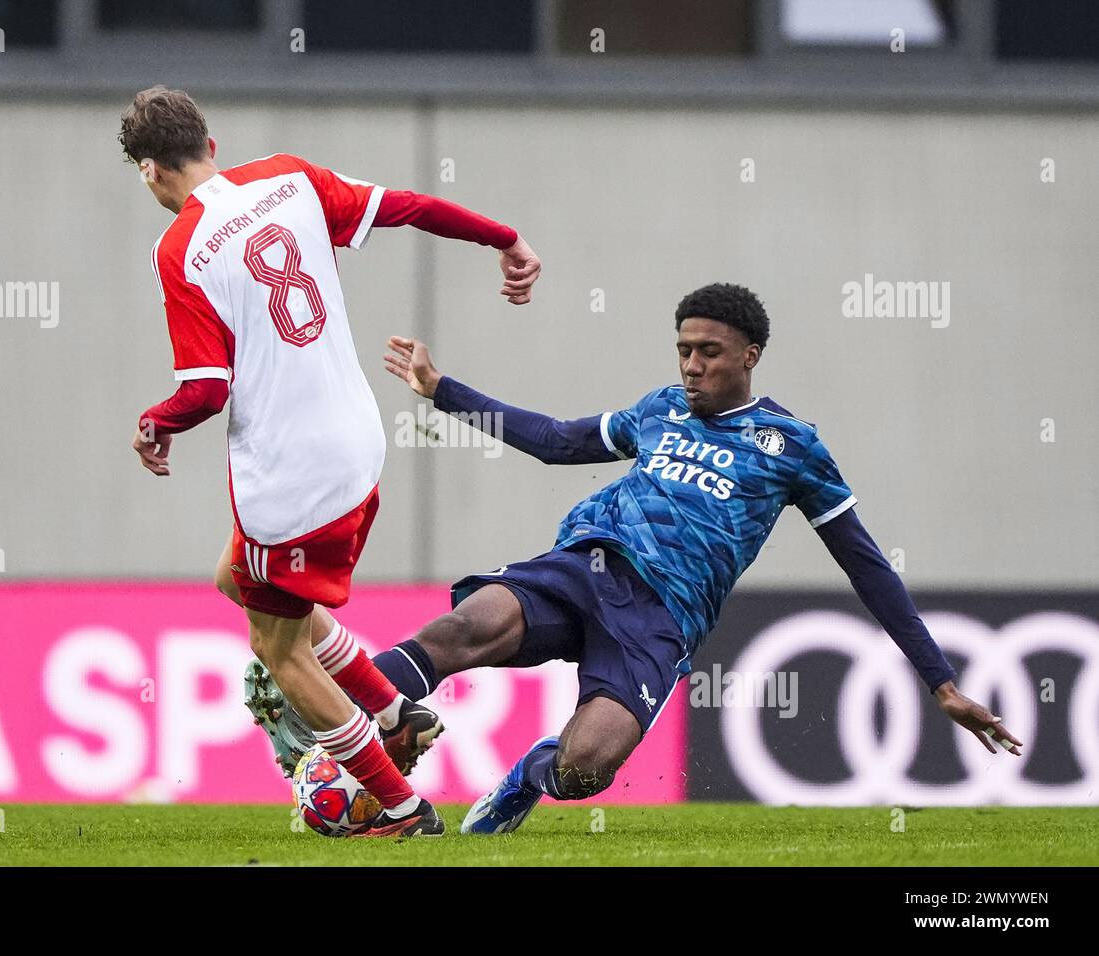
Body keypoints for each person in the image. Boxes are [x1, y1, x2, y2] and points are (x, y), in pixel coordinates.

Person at [373, 282, 1023, 834]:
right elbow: (556, 442)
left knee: (584, 769)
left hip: (664, 618)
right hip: (588, 565)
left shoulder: (791, 447)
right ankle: (337, 729)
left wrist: (940, 682)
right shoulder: (660, 411)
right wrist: (441, 389)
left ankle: (529, 774)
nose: (691, 366)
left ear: (750, 355)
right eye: (684, 350)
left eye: (708, 353)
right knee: (465, 627)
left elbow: (867, 565)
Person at [119, 85, 541, 837]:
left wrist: (157, 422)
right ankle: (392, 710)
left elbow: (208, 389)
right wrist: (504, 237)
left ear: (149, 170)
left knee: (276, 649)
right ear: (212, 146)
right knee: (234, 577)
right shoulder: (287, 178)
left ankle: (404, 810)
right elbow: (410, 205)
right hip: (358, 442)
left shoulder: (177, 248)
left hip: (288, 472)